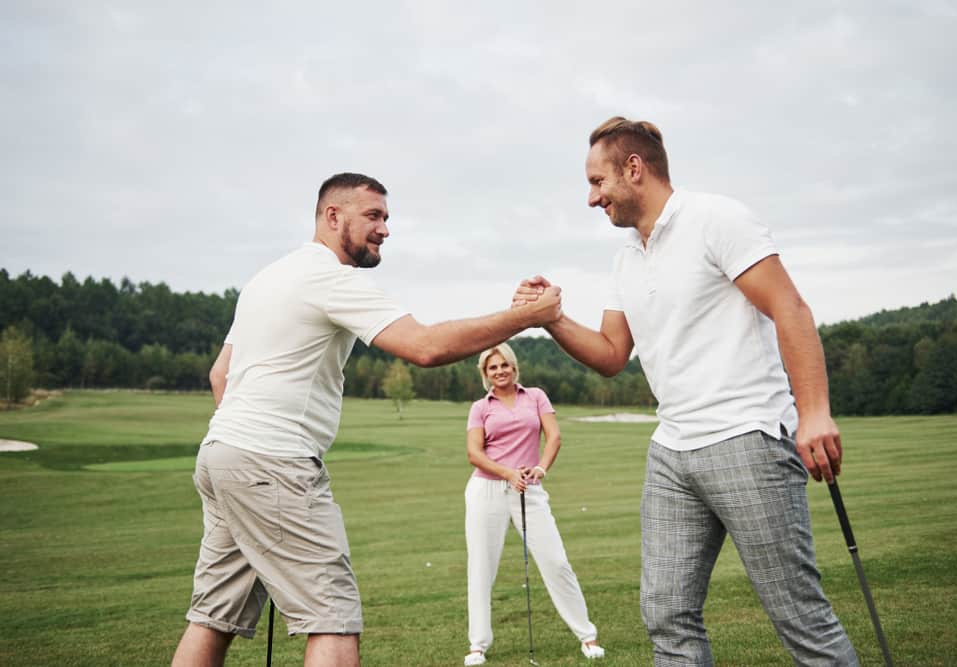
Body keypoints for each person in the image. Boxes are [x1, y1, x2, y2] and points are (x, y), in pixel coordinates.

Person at [171, 172, 562, 667]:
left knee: (213, 616)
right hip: (274, 463)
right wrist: (526, 318)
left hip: (222, 455)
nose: (385, 229)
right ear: (333, 216)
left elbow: (219, 375)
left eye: (387, 217)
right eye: (373, 216)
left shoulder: (266, 279)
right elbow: (425, 347)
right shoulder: (332, 278)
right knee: (332, 616)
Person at [514, 117, 859, 666]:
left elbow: (789, 309)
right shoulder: (626, 256)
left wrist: (814, 413)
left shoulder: (717, 219)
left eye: (597, 182)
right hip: (672, 452)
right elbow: (610, 354)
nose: (591, 197)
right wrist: (552, 319)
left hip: (747, 439)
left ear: (634, 169)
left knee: (799, 618)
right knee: (667, 615)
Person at [463, 343, 605, 666]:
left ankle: (587, 636)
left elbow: (553, 436)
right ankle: (478, 644)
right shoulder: (480, 407)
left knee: (556, 561)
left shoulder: (536, 396)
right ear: (485, 374)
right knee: (482, 567)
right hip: (487, 489)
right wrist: (507, 473)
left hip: (530, 487)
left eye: (504, 366)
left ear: (514, 368)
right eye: (492, 368)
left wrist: (540, 468)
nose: (500, 371)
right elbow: (475, 453)